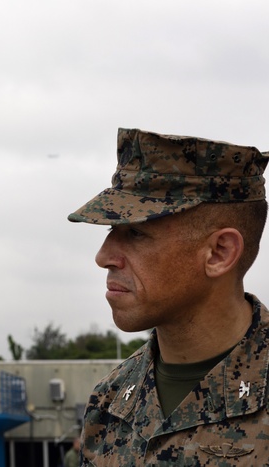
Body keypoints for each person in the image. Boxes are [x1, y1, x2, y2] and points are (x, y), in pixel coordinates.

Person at [69, 128, 269, 464]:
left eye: (135, 233)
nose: (104, 257)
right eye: (110, 231)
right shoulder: (109, 402)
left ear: (219, 253)